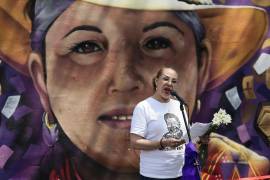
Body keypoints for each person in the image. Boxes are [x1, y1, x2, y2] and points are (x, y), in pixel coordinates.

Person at [0, 0, 269, 179]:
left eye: (156, 43)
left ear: (201, 68)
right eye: (86, 47)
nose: (125, 79)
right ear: (41, 79)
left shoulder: (240, 170)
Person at [130, 67, 188, 179]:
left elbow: (186, 137)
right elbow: (135, 142)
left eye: (174, 81)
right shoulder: (143, 107)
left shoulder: (179, 106)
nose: (170, 83)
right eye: (165, 79)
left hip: (178, 174)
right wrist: (161, 143)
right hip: (153, 175)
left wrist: (201, 139)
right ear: (156, 81)